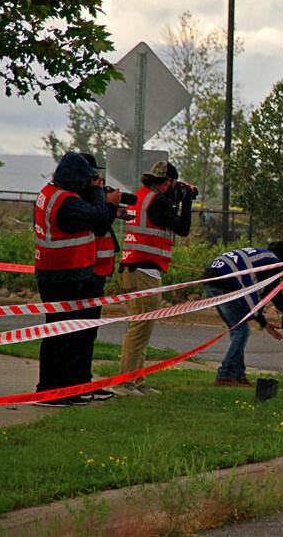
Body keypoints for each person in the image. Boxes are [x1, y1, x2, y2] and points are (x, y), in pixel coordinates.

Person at [33, 152, 121, 407]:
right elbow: (99, 219)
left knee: (64, 335)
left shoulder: (51, 194)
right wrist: (104, 198)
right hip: (64, 275)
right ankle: (51, 391)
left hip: (60, 273)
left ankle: (64, 388)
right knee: (62, 337)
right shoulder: (67, 203)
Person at [116, 161, 197, 396]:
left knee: (141, 328)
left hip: (132, 269)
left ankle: (136, 380)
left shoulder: (141, 196)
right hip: (144, 272)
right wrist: (186, 201)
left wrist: (176, 199)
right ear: (169, 182)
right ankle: (124, 382)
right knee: (139, 329)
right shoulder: (158, 201)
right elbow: (182, 228)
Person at [203, 241, 283, 386]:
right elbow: (265, 295)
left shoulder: (261, 256)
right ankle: (224, 375)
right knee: (242, 331)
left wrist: (265, 321)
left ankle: (238, 376)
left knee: (237, 330)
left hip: (212, 278)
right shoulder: (273, 262)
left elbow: (268, 292)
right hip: (224, 283)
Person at [80, 153, 124, 401]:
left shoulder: (92, 201)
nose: (98, 180)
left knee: (89, 333)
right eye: (94, 176)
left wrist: (112, 210)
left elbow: (101, 222)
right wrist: (107, 204)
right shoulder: (81, 200)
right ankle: (77, 383)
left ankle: (84, 380)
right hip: (88, 273)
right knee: (80, 333)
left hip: (99, 272)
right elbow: (98, 226)